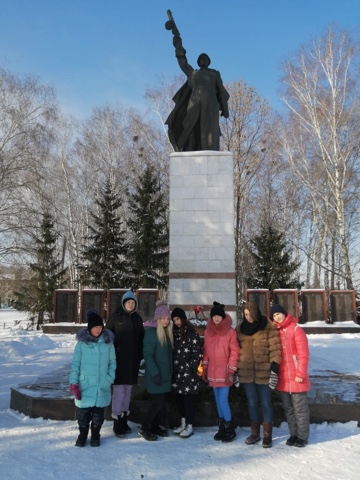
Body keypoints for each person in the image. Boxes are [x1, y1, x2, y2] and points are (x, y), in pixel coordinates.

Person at [165, 13, 229, 152]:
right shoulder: (193, 73)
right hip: (194, 104)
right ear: (199, 62)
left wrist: (224, 108)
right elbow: (182, 62)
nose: (203, 60)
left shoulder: (214, 74)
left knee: (210, 132)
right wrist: (177, 41)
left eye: (205, 58)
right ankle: (184, 147)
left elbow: (222, 91)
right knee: (190, 128)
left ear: (208, 61)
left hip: (211, 104)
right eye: (201, 58)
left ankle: (211, 152)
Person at [236, 302, 281, 448]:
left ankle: (267, 435)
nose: (248, 317)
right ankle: (255, 433)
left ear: (256, 312)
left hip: (264, 371)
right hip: (246, 372)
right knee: (252, 403)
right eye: (246, 314)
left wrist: (274, 367)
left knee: (266, 403)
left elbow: (274, 347)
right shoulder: (240, 329)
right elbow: (236, 350)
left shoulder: (268, 326)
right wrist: (235, 370)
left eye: (251, 314)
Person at [69, 309, 116, 447]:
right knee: (83, 416)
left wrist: (109, 378)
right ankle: (82, 435)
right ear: (90, 328)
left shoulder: (108, 343)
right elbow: (75, 365)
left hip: (102, 385)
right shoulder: (81, 344)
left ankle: (96, 435)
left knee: (98, 417)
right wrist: (74, 383)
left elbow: (113, 363)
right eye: (95, 327)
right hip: (85, 385)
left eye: (100, 326)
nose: (98, 329)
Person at [270, 304, 310, 448]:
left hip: (297, 377)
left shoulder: (296, 330)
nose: (277, 317)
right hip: (283, 378)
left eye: (278, 314)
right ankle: (293, 434)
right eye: (274, 316)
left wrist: (301, 373)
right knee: (288, 409)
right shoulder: (275, 332)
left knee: (300, 409)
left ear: (284, 313)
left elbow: (303, 354)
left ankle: (302, 437)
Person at [106, 290, 144, 437]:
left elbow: (141, 339)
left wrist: (139, 355)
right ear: (123, 303)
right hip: (118, 360)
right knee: (118, 391)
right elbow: (108, 337)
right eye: (128, 302)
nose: (130, 304)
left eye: (132, 302)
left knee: (128, 391)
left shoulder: (137, 319)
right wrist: (113, 355)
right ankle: (117, 421)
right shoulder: (116, 317)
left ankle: (124, 420)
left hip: (132, 361)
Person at [202, 301, 240, 443]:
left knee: (223, 400)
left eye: (219, 316)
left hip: (224, 371)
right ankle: (221, 428)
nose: (216, 318)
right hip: (213, 370)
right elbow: (205, 351)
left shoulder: (230, 332)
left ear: (223, 317)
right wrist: (205, 368)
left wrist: (231, 370)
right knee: (217, 400)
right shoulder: (208, 332)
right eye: (214, 316)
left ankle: (230, 429)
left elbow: (234, 352)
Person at [139, 300, 173, 441]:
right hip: (156, 376)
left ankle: (155, 426)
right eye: (163, 318)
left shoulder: (165, 332)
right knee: (157, 403)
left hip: (165, 375)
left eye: (167, 318)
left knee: (161, 403)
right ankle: (145, 428)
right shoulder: (152, 333)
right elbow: (148, 355)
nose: (166, 321)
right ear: (158, 318)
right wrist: (155, 373)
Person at [171, 307, 202, 438]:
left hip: (189, 373)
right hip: (178, 372)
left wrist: (191, 367)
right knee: (179, 399)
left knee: (189, 400)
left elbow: (197, 353)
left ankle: (189, 425)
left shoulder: (191, 333)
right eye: (174, 320)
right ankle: (183, 422)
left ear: (183, 318)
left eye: (178, 319)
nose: (176, 322)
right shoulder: (175, 334)